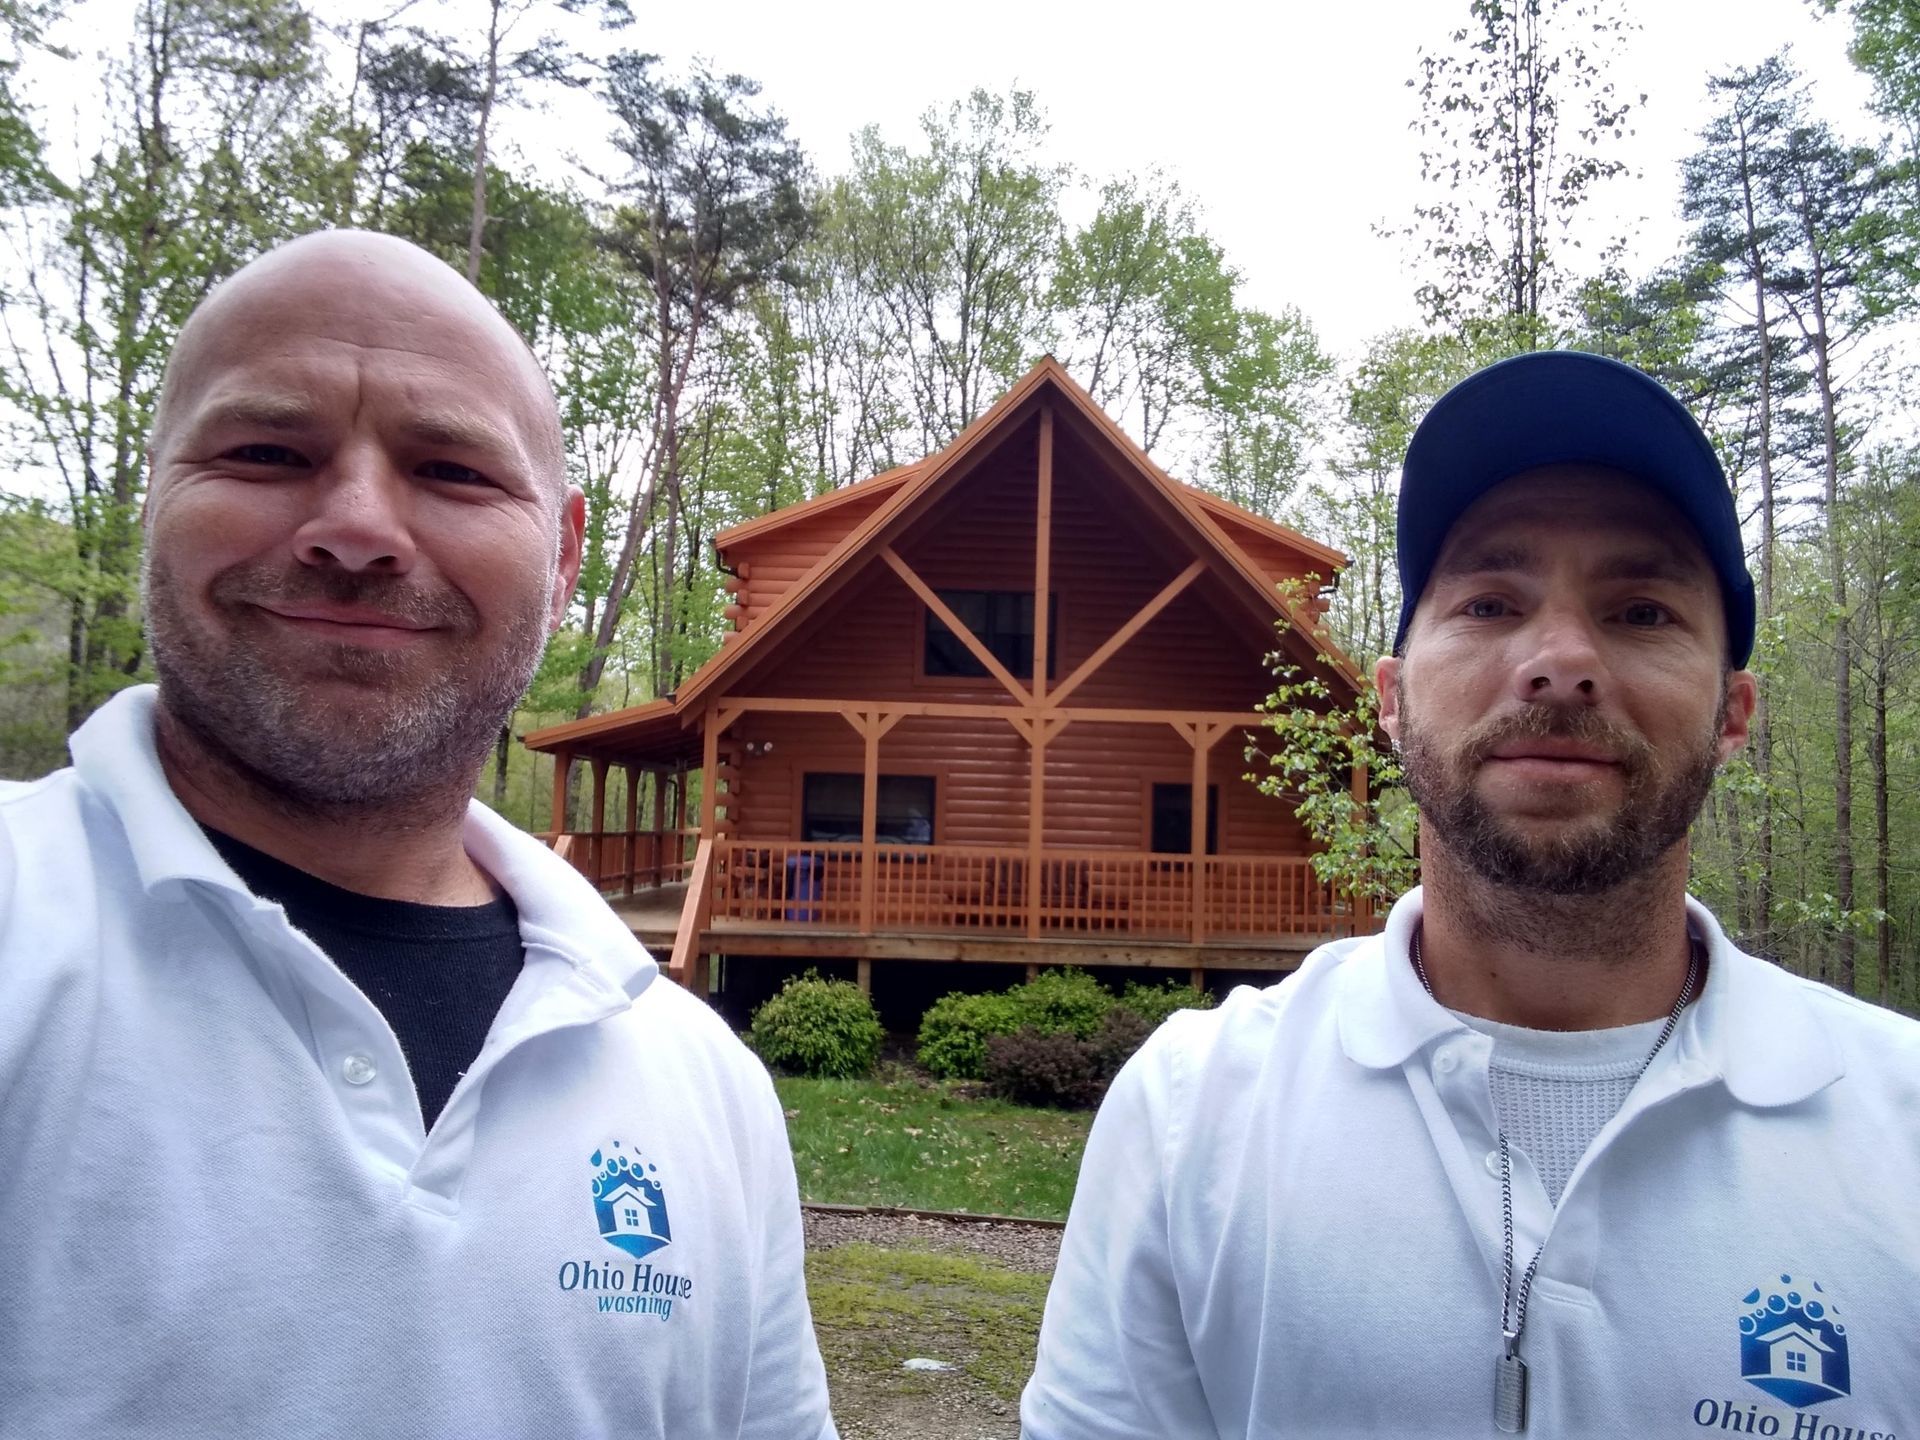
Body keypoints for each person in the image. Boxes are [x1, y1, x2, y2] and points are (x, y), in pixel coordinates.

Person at [0, 231, 835, 1438]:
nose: (354, 529)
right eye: (267, 451)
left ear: (562, 559)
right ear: (155, 497)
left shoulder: (702, 1084)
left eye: (451, 471)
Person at [1022, 351, 1920, 1436]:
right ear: (1393, 703)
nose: (1559, 661)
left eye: (1641, 612)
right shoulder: (1193, 1116)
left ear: (1734, 715)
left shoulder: (1899, 1126)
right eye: (1491, 602)